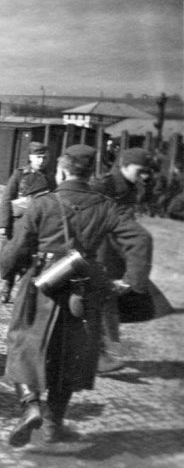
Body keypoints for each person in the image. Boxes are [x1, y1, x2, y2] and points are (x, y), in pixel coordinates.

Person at [0, 144, 151, 446]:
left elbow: (18, 249)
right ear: (89, 172)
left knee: (22, 343)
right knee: (69, 355)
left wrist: (5, 269)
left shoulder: (43, 204)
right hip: (83, 289)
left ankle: (30, 406)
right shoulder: (107, 206)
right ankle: (54, 425)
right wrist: (132, 282)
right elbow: (140, 239)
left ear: (63, 170)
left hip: (41, 284)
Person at [90, 147, 152, 372]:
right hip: (99, 250)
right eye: (141, 170)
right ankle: (97, 355)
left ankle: (102, 353)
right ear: (124, 164)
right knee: (98, 302)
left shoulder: (133, 186)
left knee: (108, 303)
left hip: (116, 252)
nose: (145, 176)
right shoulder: (102, 184)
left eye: (147, 171)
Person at [0, 142, 55, 303]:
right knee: (12, 257)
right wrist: (3, 224)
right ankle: (7, 285)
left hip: (37, 225)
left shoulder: (50, 178)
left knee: (31, 260)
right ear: (30, 157)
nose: (41, 161)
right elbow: (7, 198)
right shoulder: (20, 174)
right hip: (18, 224)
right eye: (38, 157)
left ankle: (25, 293)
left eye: (44, 158)